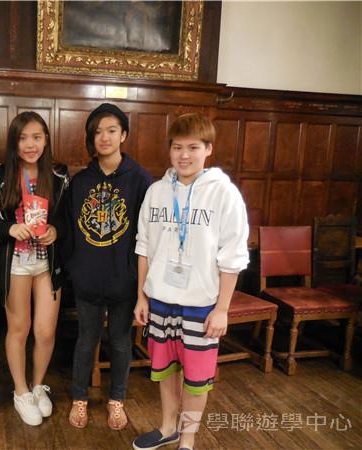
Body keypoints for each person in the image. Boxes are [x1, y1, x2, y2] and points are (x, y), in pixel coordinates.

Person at [132, 113, 249, 450]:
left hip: (201, 304)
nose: (184, 155)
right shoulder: (156, 192)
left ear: (208, 149)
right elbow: (144, 248)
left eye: (193, 147)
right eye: (177, 147)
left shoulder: (224, 194)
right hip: (160, 301)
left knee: (197, 378)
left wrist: (222, 309)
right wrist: (141, 297)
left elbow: (233, 256)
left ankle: (188, 439)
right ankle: (168, 427)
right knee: (166, 369)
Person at [64, 103, 152, 430]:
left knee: (120, 341)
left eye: (112, 130)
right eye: (98, 132)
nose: (104, 137)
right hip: (87, 279)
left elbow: (148, 235)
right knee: (85, 340)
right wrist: (75, 268)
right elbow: (69, 229)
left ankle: (117, 400)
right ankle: (79, 398)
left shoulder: (140, 179)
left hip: (124, 281)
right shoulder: (80, 181)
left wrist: (137, 279)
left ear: (123, 134)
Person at [0, 111, 69, 426]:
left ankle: (38, 386)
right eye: (22, 138)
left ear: (46, 140)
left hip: (48, 262)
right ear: (14, 142)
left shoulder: (59, 175)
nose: (30, 144)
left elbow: (67, 218)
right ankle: (21, 391)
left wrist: (56, 230)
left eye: (36, 137)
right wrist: (9, 228)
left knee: (46, 330)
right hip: (17, 264)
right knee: (19, 329)